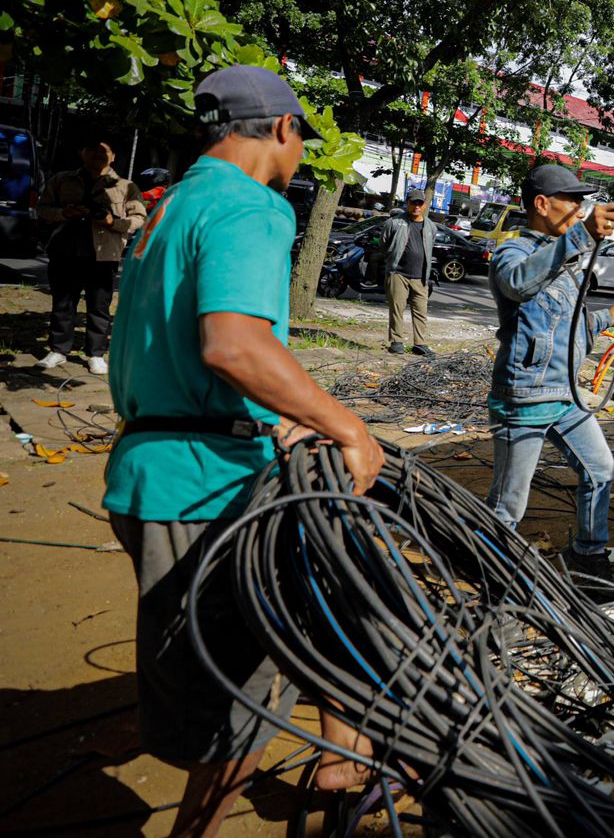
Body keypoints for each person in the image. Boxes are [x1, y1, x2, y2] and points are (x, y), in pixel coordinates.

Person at [105, 65, 386, 838]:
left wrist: (273, 420)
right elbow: (233, 344)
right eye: (302, 141)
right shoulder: (252, 205)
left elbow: (181, 353)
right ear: (284, 129)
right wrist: (348, 428)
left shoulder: (176, 203)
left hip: (154, 469)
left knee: (315, 604)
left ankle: (344, 753)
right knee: (240, 709)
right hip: (204, 488)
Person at [483, 164, 614, 586]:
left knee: (600, 470)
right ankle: (490, 574)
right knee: (508, 504)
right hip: (524, 398)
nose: (580, 210)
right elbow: (517, 284)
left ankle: (587, 557)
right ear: (542, 204)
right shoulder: (514, 253)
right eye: (573, 202)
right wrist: (581, 236)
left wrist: (608, 317)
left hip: (565, 395)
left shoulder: (566, 256)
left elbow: (567, 327)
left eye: (584, 204)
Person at [36, 141, 146, 374]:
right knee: (63, 303)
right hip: (65, 250)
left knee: (99, 306)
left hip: (104, 254)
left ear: (113, 156)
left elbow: (139, 218)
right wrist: (63, 213)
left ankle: (95, 354)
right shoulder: (62, 180)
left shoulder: (126, 186)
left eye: (104, 151)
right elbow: (42, 209)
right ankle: (58, 350)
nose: (98, 155)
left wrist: (113, 222)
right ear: (82, 153)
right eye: (92, 150)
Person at [381, 189, 437, 355]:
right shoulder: (394, 223)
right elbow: (384, 245)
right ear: (407, 203)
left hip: (421, 277)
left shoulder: (431, 226)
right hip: (398, 274)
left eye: (420, 203)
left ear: (425, 205)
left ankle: (420, 343)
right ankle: (396, 341)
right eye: (413, 203)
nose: (417, 206)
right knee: (397, 309)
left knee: (421, 312)